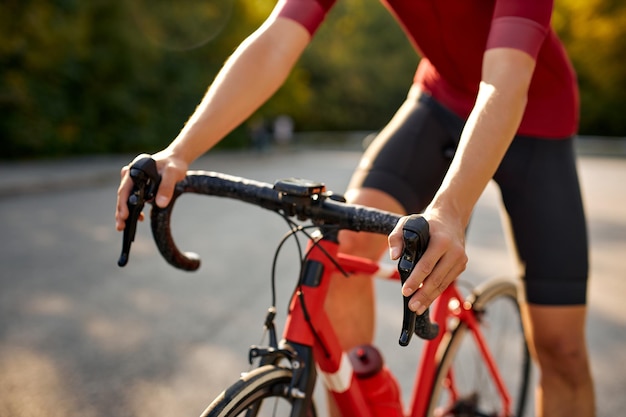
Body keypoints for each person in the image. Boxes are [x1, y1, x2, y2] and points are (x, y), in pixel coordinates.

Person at [115, 1, 595, 416]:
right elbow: (277, 40)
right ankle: (370, 399)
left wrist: (448, 207)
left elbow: (504, 83)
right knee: (341, 251)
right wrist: (179, 152)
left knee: (561, 347)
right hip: (441, 101)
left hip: (536, 119)